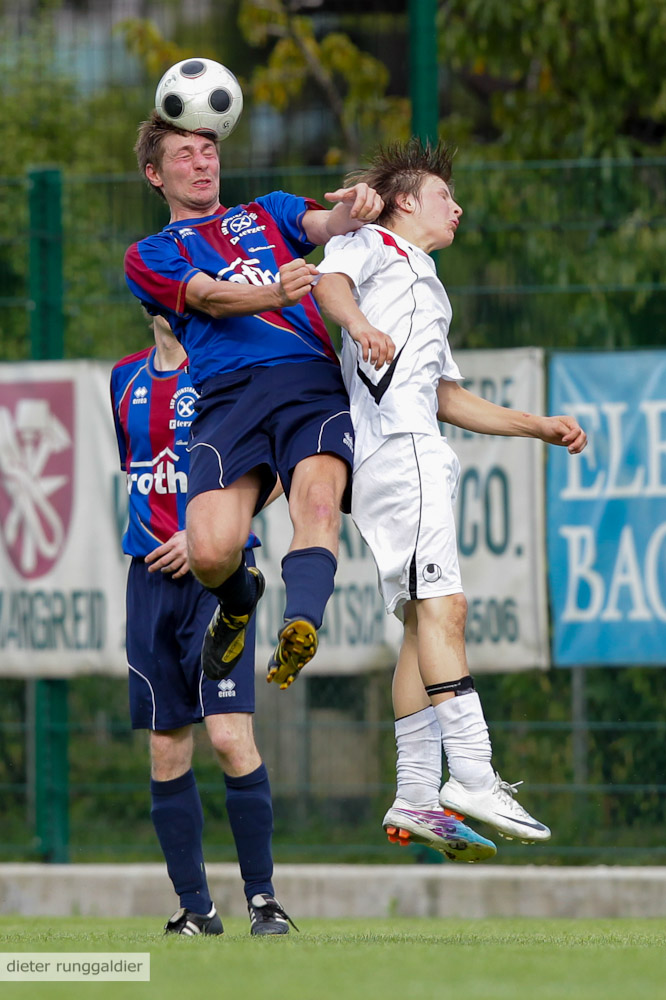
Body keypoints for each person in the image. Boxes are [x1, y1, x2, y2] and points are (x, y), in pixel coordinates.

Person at [312, 137, 588, 847]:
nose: (456, 206)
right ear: (406, 202)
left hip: (410, 451)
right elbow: (327, 283)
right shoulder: (372, 242)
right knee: (448, 608)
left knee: (418, 626)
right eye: (444, 196)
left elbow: (445, 394)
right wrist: (360, 323)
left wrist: (537, 426)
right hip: (400, 455)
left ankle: (413, 795)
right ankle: (472, 773)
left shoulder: (427, 279)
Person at [124, 110, 387, 692]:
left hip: (310, 383)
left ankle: (301, 625)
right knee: (211, 551)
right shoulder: (150, 252)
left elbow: (326, 224)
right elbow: (210, 298)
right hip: (228, 396)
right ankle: (240, 601)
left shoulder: (265, 211)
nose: (201, 163)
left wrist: (358, 205)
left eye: (207, 150)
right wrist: (274, 292)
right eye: (183, 156)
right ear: (154, 175)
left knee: (318, 506)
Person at [110, 313, 295, 936]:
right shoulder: (123, 379)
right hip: (149, 581)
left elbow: (268, 472)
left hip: (216, 579)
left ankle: (264, 901)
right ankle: (197, 907)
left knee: (227, 737)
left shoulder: (227, 371)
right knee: (165, 746)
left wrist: (206, 536)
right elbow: (138, 469)